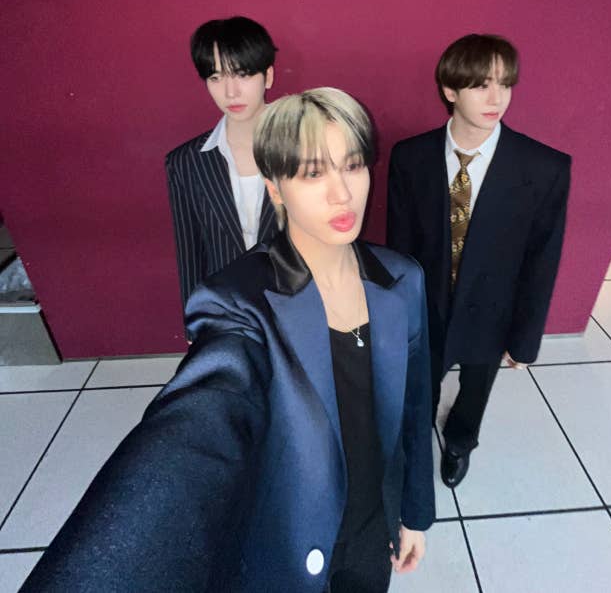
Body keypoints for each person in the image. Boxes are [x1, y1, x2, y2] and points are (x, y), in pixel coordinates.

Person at [22, 88, 435, 593]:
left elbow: (414, 410)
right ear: (275, 188)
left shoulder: (402, 279)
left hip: (374, 526)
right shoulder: (236, 301)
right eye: (312, 173)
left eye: (352, 165)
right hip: (286, 543)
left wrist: (415, 514)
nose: (342, 193)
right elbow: (198, 424)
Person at [387, 34, 570, 489]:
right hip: (427, 306)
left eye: (504, 84)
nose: (496, 98)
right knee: (419, 384)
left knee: (477, 386)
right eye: (481, 85)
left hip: (493, 309)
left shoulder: (544, 168)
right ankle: (415, 441)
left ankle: (460, 442)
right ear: (450, 89)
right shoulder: (411, 158)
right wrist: (396, 316)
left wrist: (525, 339)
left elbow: (541, 261)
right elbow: (399, 247)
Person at [166, 16, 278, 312]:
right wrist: (198, 323)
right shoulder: (186, 162)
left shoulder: (305, 147)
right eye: (216, 78)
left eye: (242, 74)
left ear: (267, 76)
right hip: (228, 312)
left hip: (299, 307)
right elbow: (191, 257)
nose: (231, 92)